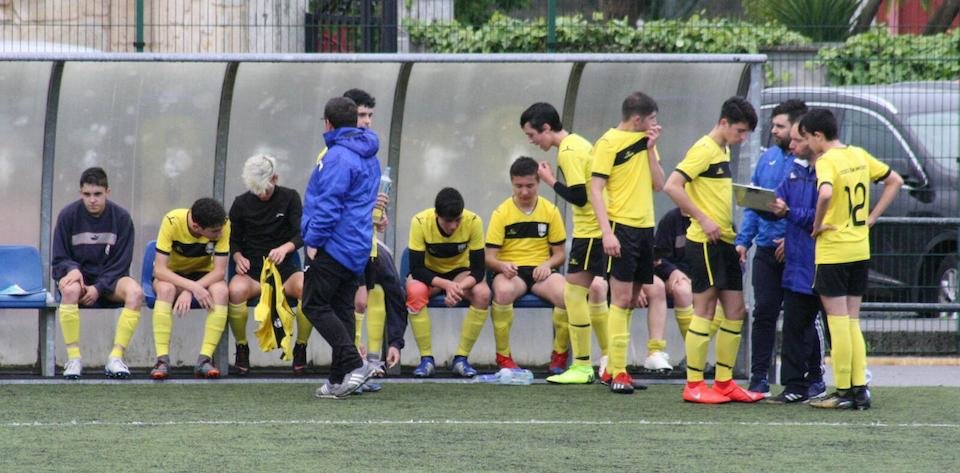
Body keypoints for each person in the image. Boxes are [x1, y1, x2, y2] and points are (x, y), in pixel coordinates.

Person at [663, 96, 764, 404]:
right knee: (704, 310)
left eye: (747, 132)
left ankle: (724, 383)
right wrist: (703, 218)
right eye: (740, 131)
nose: (743, 138)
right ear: (723, 123)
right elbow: (672, 185)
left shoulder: (721, 149)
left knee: (736, 311)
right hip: (705, 243)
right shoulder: (703, 148)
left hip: (726, 242)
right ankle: (693, 384)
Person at [800, 108, 902, 410]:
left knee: (838, 321)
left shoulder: (827, 161)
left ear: (818, 135)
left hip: (834, 250)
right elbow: (894, 180)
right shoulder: (857, 154)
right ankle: (860, 389)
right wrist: (871, 218)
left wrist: (817, 225)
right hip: (860, 248)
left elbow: (826, 194)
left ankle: (843, 390)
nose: (807, 144)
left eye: (807, 138)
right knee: (853, 320)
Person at [519, 102, 609, 384]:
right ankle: (608, 360)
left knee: (574, 294)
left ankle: (583, 365)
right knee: (594, 290)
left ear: (546, 128)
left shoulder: (568, 152)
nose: (532, 141)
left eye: (532, 135)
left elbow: (580, 197)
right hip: (597, 229)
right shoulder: (579, 143)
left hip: (590, 231)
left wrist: (548, 181)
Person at [302, 96, 380, 399]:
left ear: (328, 124)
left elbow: (328, 205)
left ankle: (354, 363)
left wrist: (313, 241)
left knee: (314, 304)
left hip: (334, 244)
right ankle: (338, 379)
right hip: (358, 243)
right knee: (342, 308)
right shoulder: (368, 155)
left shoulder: (336, 157)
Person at [588, 92, 665, 394]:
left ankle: (615, 369)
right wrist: (607, 232)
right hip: (621, 228)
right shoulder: (607, 143)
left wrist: (650, 150)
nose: (655, 125)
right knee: (619, 299)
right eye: (652, 119)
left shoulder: (645, 143)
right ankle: (617, 370)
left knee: (632, 299)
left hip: (646, 228)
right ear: (637, 119)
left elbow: (658, 184)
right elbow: (595, 190)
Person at [734, 99, 809, 396]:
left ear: (797, 127)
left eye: (780, 126)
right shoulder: (767, 160)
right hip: (766, 250)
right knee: (763, 312)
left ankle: (806, 379)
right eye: (774, 125)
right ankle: (759, 377)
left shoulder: (808, 163)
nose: (773, 131)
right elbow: (754, 203)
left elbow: (810, 209)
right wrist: (743, 241)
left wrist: (791, 241)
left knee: (799, 317)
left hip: (796, 252)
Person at [51, 167, 143, 379]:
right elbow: (58, 258)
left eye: (98, 194)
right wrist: (72, 269)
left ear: (107, 192)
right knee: (69, 291)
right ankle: (74, 359)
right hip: (79, 280)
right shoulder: (67, 216)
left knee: (136, 293)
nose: (92, 200)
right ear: (80, 193)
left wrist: (99, 288)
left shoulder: (121, 218)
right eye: (87, 194)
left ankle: (116, 358)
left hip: (110, 281)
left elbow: (122, 262)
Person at [763, 119, 828, 403]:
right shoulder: (795, 170)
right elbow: (780, 203)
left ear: (814, 138)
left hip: (826, 260)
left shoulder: (827, 172)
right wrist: (767, 207)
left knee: (834, 325)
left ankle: (851, 382)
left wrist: (787, 212)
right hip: (798, 262)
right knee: (793, 324)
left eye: (796, 141)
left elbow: (819, 219)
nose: (791, 146)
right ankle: (793, 386)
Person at [226, 154, 306, 376]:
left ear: (275, 178)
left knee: (307, 288)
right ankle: (241, 347)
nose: (261, 194)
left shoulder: (290, 198)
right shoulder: (240, 203)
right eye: (256, 190)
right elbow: (232, 239)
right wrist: (237, 256)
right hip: (252, 271)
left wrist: (285, 248)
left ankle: (301, 346)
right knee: (235, 291)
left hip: (285, 269)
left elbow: (301, 234)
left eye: (265, 189)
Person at [486, 156, 568, 370]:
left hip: (542, 271)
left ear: (538, 183)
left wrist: (547, 265)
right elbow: (489, 257)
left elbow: (560, 254)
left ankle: (559, 354)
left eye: (529, 186)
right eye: (518, 186)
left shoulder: (550, 211)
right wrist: (503, 266)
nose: (524, 192)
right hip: (512, 273)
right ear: (512, 183)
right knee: (502, 292)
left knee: (566, 294)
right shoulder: (501, 213)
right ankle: (503, 356)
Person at [405, 187, 490, 377]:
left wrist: (457, 287)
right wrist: (447, 286)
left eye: (457, 219)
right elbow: (417, 269)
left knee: (483, 294)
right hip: (429, 274)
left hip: (461, 275)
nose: (453, 226)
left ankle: (461, 359)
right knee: (415, 291)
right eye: (448, 221)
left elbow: (478, 270)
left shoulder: (474, 221)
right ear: (436, 215)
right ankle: (426, 359)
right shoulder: (419, 221)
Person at [149, 197, 231, 380]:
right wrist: (191, 287)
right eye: (214, 232)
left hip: (204, 277)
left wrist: (191, 289)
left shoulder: (223, 224)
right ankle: (161, 361)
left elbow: (219, 272)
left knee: (222, 291)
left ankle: (204, 360)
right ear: (196, 227)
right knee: (165, 290)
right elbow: (159, 270)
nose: (220, 233)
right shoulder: (172, 221)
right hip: (172, 276)